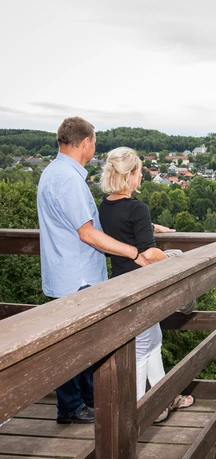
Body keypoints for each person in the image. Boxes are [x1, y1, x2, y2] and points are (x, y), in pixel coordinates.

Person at [37, 117, 158, 424]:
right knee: (76, 348)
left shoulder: (54, 172)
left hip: (66, 272)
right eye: (94, 142)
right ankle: (72, 408)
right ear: (86, 142)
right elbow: (88, 233)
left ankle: (87, 402)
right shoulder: (68, 179)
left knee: (80, 345)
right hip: (77, 276)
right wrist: (134, 251)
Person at [98, 146, 194, 422]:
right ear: (131, 175)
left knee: (153, 340)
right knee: (141, 350)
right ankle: (139, 412)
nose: (141, 176)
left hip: (121, 281)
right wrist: (177, 266)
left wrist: (150, 227)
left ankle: (164, 398)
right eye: (139, 171)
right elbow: (150, 253)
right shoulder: (138, 207)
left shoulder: (106, 205)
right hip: (140, 286)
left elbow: (121, 229)